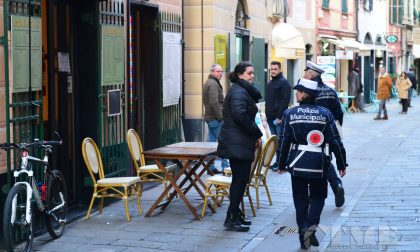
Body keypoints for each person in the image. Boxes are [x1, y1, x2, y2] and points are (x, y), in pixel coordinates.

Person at [277, 78, 347, 250]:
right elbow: (335, 140)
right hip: (319, 164)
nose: (296, 93)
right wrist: (341, 162)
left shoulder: (289, 114)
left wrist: (281, 163)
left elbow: (284, 141)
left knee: (300, 200)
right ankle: (310, 226)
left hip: (297, 163)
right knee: (318, 198)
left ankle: (303, 236)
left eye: (298, 91)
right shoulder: (325, 114)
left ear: (303, 94)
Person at [217, 61, 263, 232]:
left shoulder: (242, 90)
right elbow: (240, 115)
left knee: (240, 180)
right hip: (237, 142)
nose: (252, 76)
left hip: (239, 141)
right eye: (249, 73)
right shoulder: (238, 91)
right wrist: (257, 133)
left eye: (252, 73)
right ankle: (232, 217)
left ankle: (235, 214)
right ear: (239, 75)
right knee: (239, 180)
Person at [303, 61, 345, 208]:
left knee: (310, 160)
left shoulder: (308, 91)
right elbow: (339, 113)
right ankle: (336, 185)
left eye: (305, 71)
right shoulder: (330, 91)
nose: (304, 74)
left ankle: (312, 193)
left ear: (311, 74)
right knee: (326, 160)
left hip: (312, 134)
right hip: (329, 133)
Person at [265, 61, 291, 171]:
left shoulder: (284, 82)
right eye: (272, 69)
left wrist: (280, 117)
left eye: (275, 69)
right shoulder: (270, 83)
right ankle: (278, 162)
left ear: (280, 69)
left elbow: (285, 100)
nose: (273, 71)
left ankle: (282, 163)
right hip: (270, 117)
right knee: (276, 142)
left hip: (278, 117)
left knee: (281, 141)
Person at [202, 64, 229, 174]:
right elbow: (214, 103)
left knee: (211, 144)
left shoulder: (210, 82)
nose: (220, 73)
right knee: (223, 142)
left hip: (210, 118)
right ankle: (225, 167)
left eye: (221, 71)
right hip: (215, 119)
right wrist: (221, 117)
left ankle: (211, 167)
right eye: (218, 71)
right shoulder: (213, 84)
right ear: (212, 72)